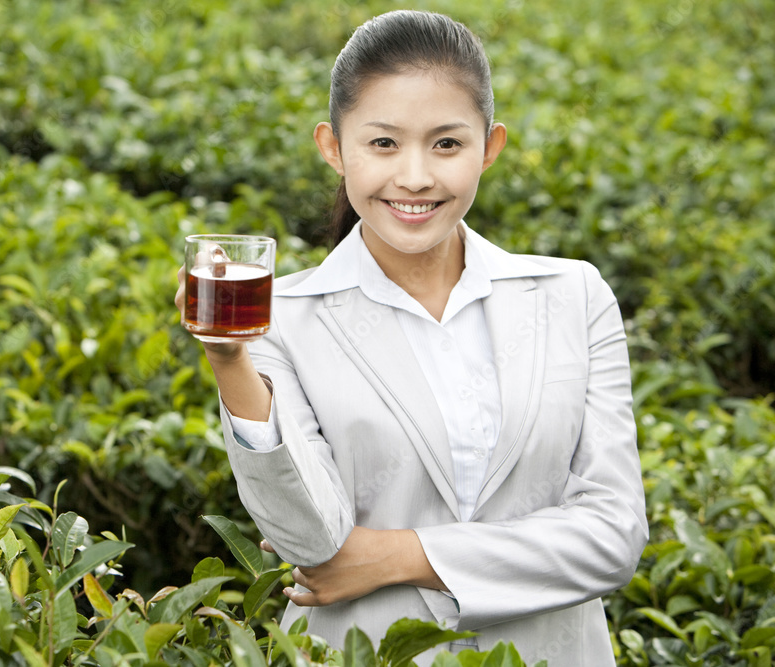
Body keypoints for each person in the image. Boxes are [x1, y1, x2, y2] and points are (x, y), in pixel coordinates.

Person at [175, 10, 647, 666]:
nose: (417, 177)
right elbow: (311, 538)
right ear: (334, 147)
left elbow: (613, 535)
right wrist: (230, 358)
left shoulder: (573, 296)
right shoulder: (280, 315)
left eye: (447, 144)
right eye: (384, 144)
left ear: (491, 146)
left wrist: (397, 556)